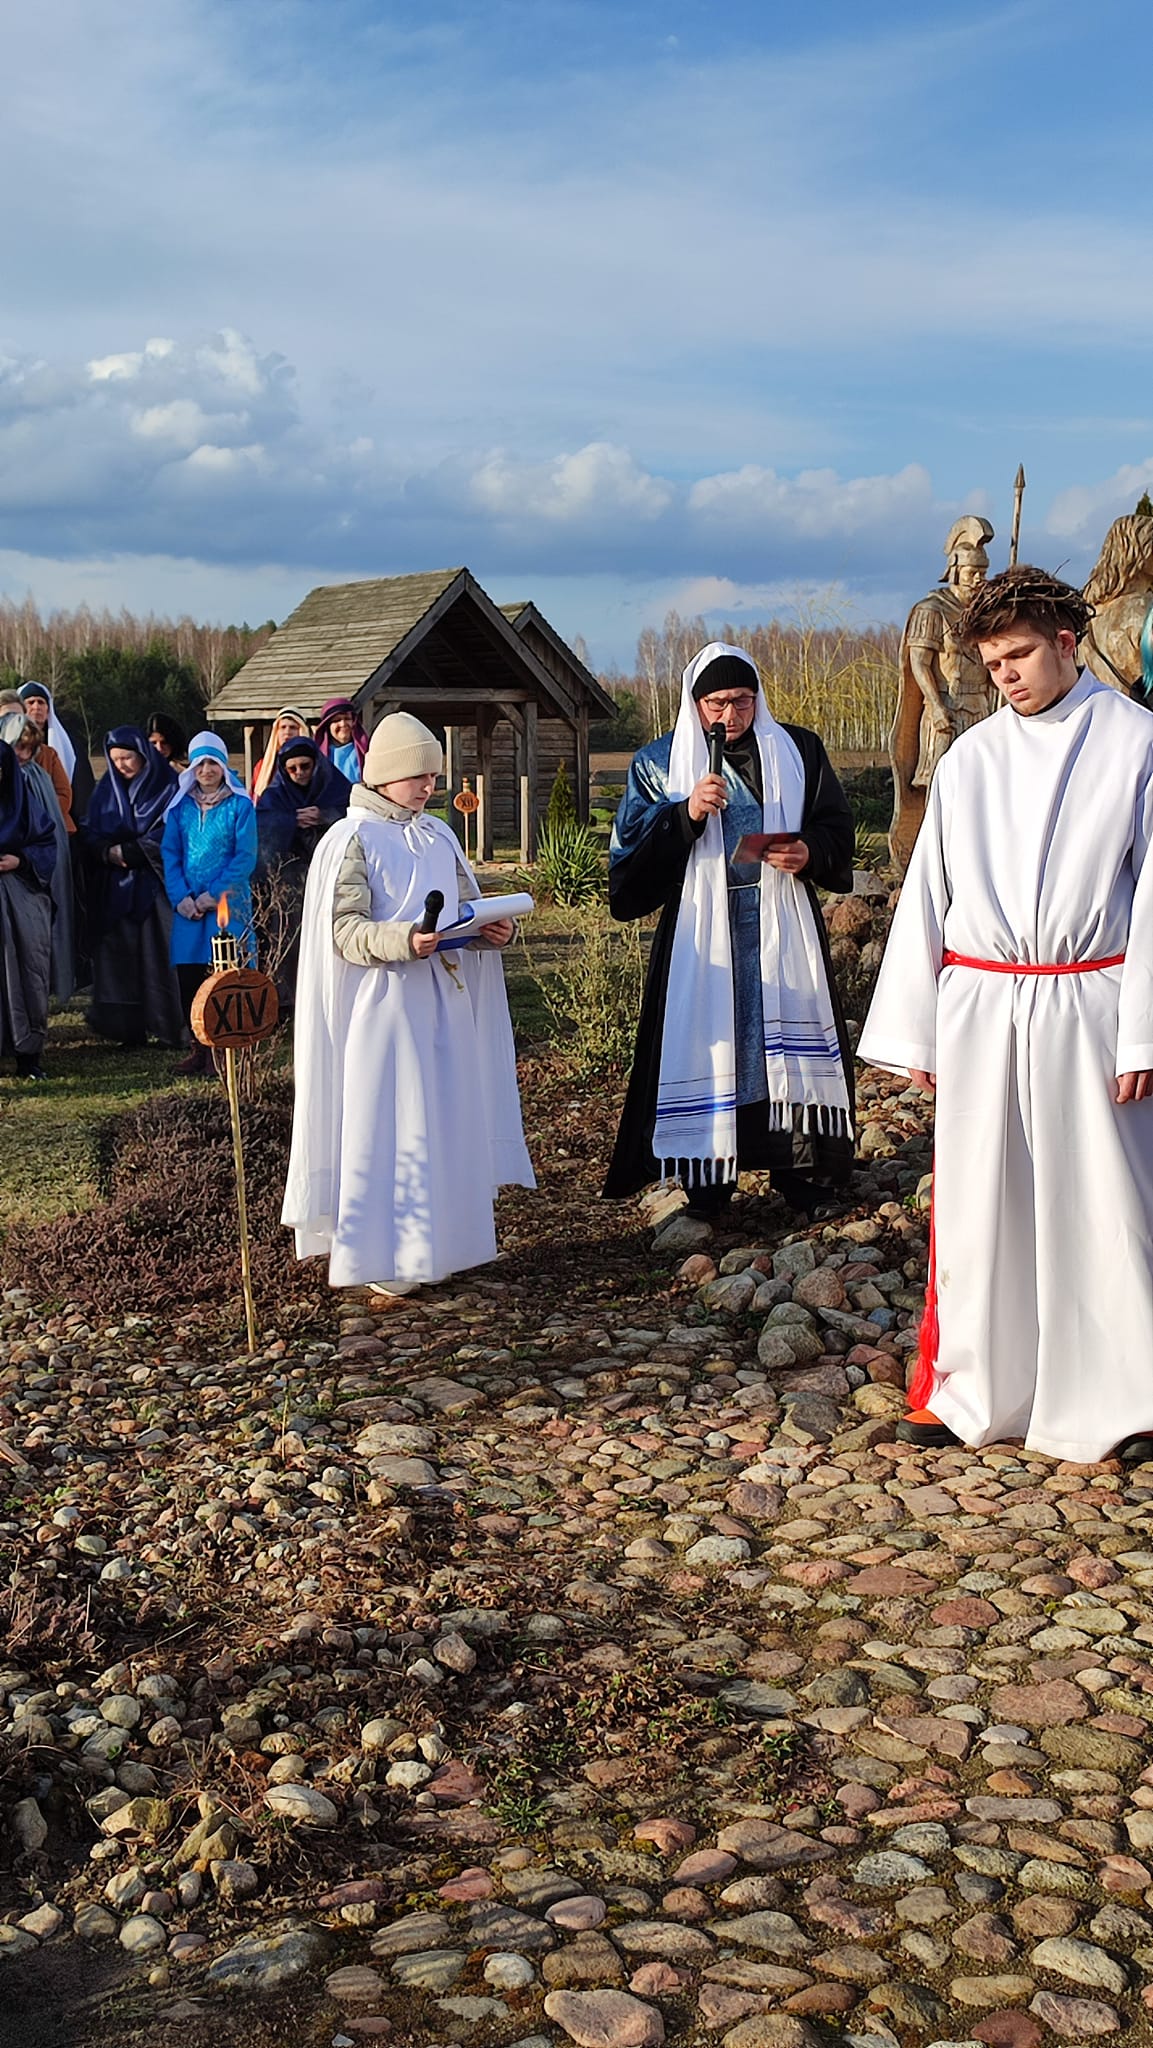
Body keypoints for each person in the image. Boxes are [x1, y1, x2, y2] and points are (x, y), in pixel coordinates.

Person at [859, 565, 1153, 1462]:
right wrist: (915, 1026)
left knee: (1101, 1200)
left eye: (1018, 655)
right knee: (981, 1202)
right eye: (991, 664)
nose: (1005, 677)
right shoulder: (970, 758)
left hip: (1089, 996)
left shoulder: (1135, 741)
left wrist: (1143, 1030)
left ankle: (1126, 1397)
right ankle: (974, 1386)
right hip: (983, 1004)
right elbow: (929, 892)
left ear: (1066, 642)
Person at [283, 711, 534, 1294]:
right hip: (385, 1008)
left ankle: (442, 1246)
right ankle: (385, 1257)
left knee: (442, 1119)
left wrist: (492, 930)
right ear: (386, 774)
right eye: (418, 774)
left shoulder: (438, 833)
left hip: (443, 1003)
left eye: (433, 775)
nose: (429, 785)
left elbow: (466, 906)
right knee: (390, 1125)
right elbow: (344, 930)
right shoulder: (351, 839)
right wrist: (404, 939)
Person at [605, 642, 856, 1220]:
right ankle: (709, 1185)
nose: (730, 715)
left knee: (780, 1050)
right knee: (716, 1048)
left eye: (743, 700)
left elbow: (836, 827)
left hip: (782, 923)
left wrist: (809, 850)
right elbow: (628, 871)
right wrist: (684, 814)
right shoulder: (658, 764)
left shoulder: (797, 750)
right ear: (694, 703)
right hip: (701, 935)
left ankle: (804, 1177)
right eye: (716, 703)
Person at [888, 516, 998, 870]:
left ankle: (975, 856)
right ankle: (932, 858)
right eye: (972, 573)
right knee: (939, 786)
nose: (979, 579)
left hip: (980, 708)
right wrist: (935, 706)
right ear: (955, 571)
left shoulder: (986, 613)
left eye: (983, 572)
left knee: (981, 785)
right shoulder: (931, 610)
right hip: (946, 708)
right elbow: (919, 663)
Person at [161, 731, 257, 1077]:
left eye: (212, 763)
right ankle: (199, 1048)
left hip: (227, 906)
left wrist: (212, 895)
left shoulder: (240, 806)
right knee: (191, 979)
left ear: (223, 766)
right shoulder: (180, 809)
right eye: (199, 764)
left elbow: (244, 857)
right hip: (189, 911)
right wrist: (181, 898)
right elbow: (170, 854)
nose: (206, 770)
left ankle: (226, 1050)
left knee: (225, 978)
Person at [81, 726, 182, 1047]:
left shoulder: (168, 787)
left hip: (156, 888)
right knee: (118, 957)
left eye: (127, 757)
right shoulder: (106, 791)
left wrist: (134, 851)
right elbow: (89, 828)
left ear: (143, 755)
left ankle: (168, 1026)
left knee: (159, 955)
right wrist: (105, 851)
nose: (121, 765)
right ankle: (126, 1029)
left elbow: (174, 829)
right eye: (115, 759)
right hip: (115, 888)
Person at [255, 736, 352, 1011]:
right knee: (290, 939)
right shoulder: (275, 795)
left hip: (331, 876)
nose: (299, 773)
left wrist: (325, 816)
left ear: (316, 764)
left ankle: (334, 1002)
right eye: (292, 768)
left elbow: (354, 813)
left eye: (305, 766)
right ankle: (287, 1004)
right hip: (290, 881)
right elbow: (261, 826)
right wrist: (290, 820)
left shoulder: (334, 786)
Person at [1, 712, 74, 1002]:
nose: (23, 755)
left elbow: (48, 836)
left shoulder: (37, 779)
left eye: (29, 749)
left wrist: (22, 860)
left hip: (29, 884)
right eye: (18, 747)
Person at [0, 737, 56, 1080]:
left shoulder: (24, 803)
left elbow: (47, 843)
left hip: (20, 899)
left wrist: (19, 860)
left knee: (24, 973)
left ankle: (27, 1054)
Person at [18, 681, 94, 818]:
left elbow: (78, 792)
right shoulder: (7, 744)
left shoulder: (69, 747)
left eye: (41, 702)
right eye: (30, 702)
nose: (36, 707)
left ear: (48, 709)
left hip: (58, 819)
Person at [251, 706, 313, 799]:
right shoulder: (262, 767)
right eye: (283, 727)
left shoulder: (313, 764)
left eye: (293, 727)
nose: (287, 732)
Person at [314, 697, 367, 784]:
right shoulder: (318, 756)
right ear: (327, 725)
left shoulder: (366, 751)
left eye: (347, 718)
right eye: (336, 720)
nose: (343, 724)